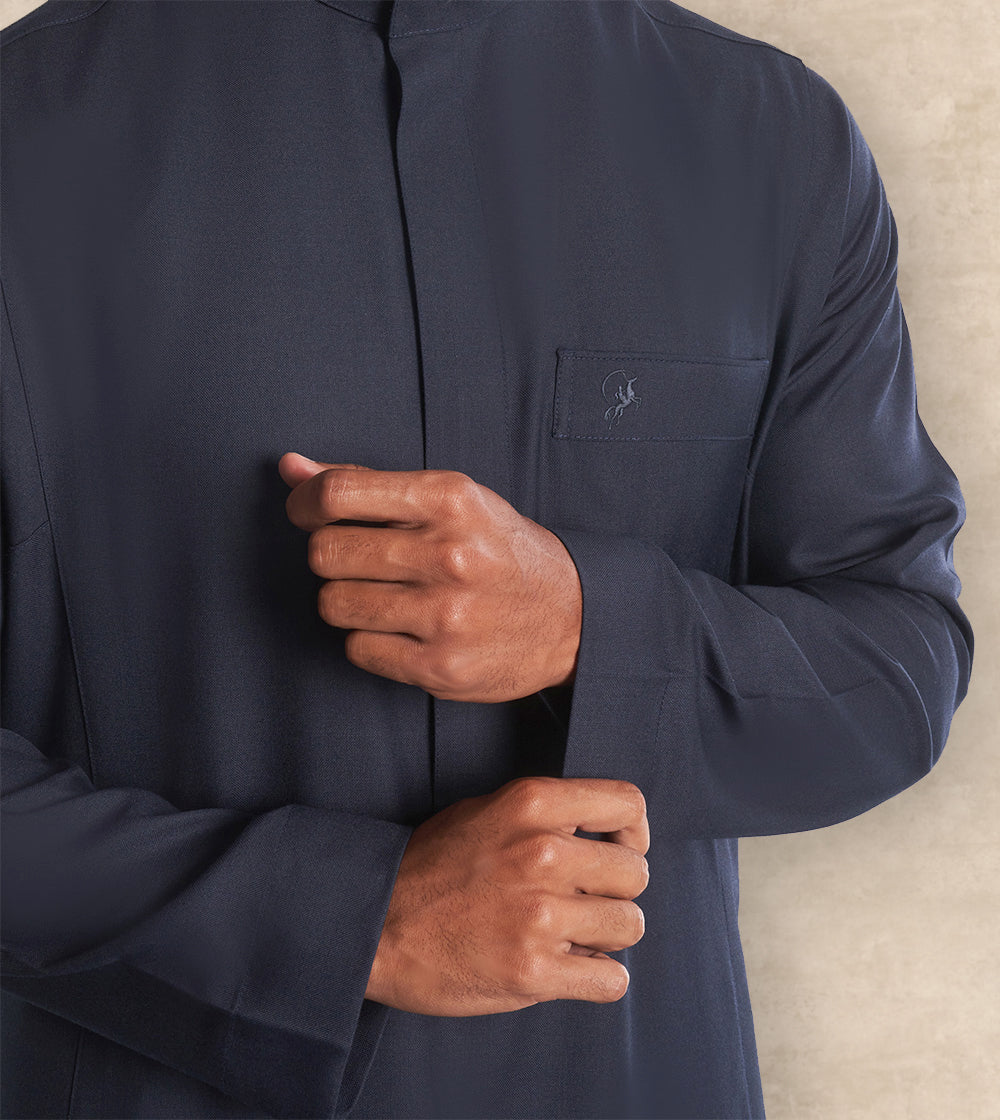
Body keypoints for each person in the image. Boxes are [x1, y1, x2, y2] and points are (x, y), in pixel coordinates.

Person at [0, 1, 973, 1117]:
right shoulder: (22, 132)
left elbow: (897, 664)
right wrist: (350, 924)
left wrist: (587, 627)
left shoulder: (772, 140)